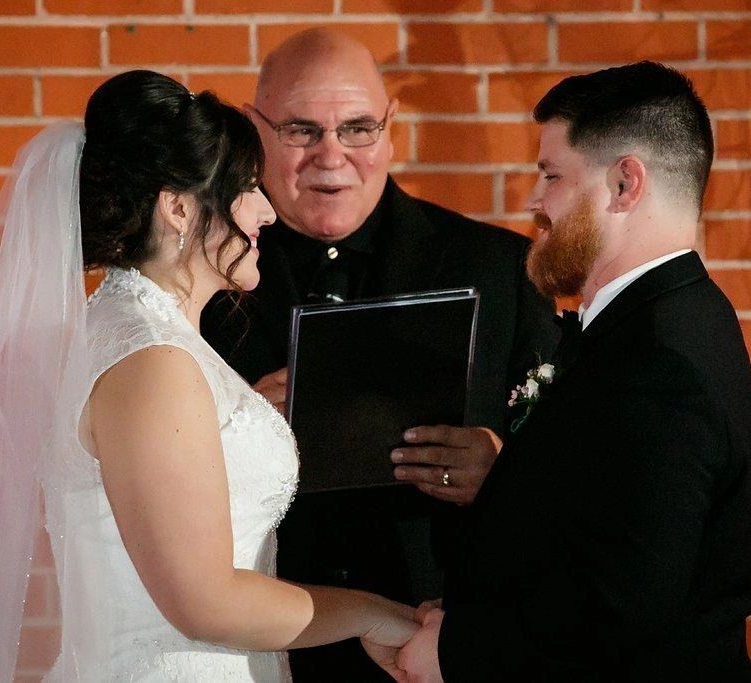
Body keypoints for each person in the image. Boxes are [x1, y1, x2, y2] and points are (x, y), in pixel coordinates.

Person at [0, 70, 418, 681]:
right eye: (247, 187)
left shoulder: (143, 337)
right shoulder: (152, 360)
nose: (266, 211)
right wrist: (372, 615)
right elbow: (205, 602)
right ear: (178, 208)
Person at [200, 29, 558, 680]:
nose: (331, 156)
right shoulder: (202, 279)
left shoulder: (501, 269)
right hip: (260, 650)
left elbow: (581, 484)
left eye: (358, 128)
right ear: (255, 130)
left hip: (440, 647)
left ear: (392, 128)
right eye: (302, 130)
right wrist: (233, 428)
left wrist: (505, 473)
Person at [398, 61, 751, 681]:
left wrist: (458, 650)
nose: (534, 201)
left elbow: (622, 605)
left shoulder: (661, 361)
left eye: (552, 175)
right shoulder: (673, 319)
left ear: (626, 185)